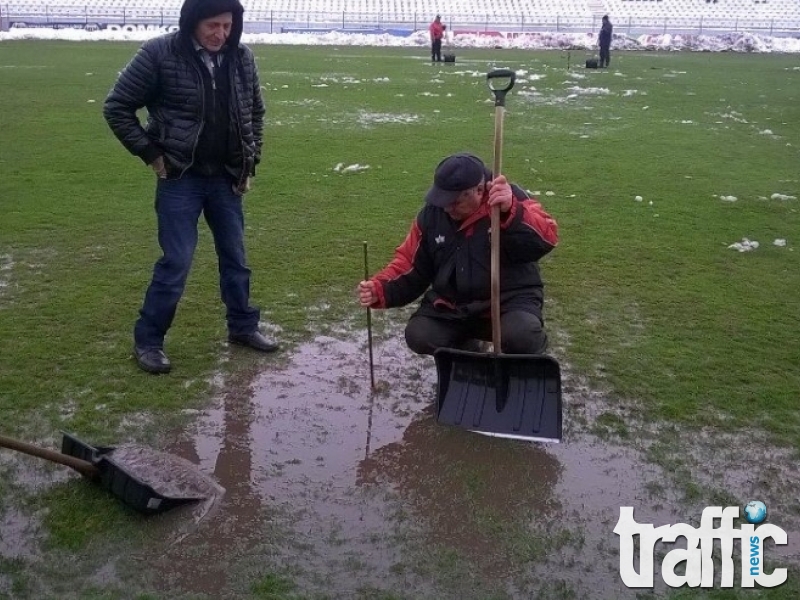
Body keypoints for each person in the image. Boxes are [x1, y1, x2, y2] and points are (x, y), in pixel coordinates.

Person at [103, 0, 279, 374]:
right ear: (192, 22)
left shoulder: (242, 58)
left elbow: (254, 113)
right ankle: (148, 341)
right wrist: (151, 154)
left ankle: (243, 328)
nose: (221, 34)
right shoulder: (159, 53)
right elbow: (117, 106)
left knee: (236, 258)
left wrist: (250, 163)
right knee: (176, 262)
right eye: (212, 25)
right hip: (180, 177)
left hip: (227, 178)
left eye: (228, 26)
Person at [358, 153, 558, 356]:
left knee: (522, 336)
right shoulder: (432, 215)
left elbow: (547, 237)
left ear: (479, 191)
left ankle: (528, 367)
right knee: (419, 334)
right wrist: (380, 288)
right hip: (454, 306)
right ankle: (467, 355)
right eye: (442, 200)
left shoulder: (508, 199)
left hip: (508, 302)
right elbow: (409, 264)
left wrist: (510, 211)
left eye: (454, 202)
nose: (447, 208)